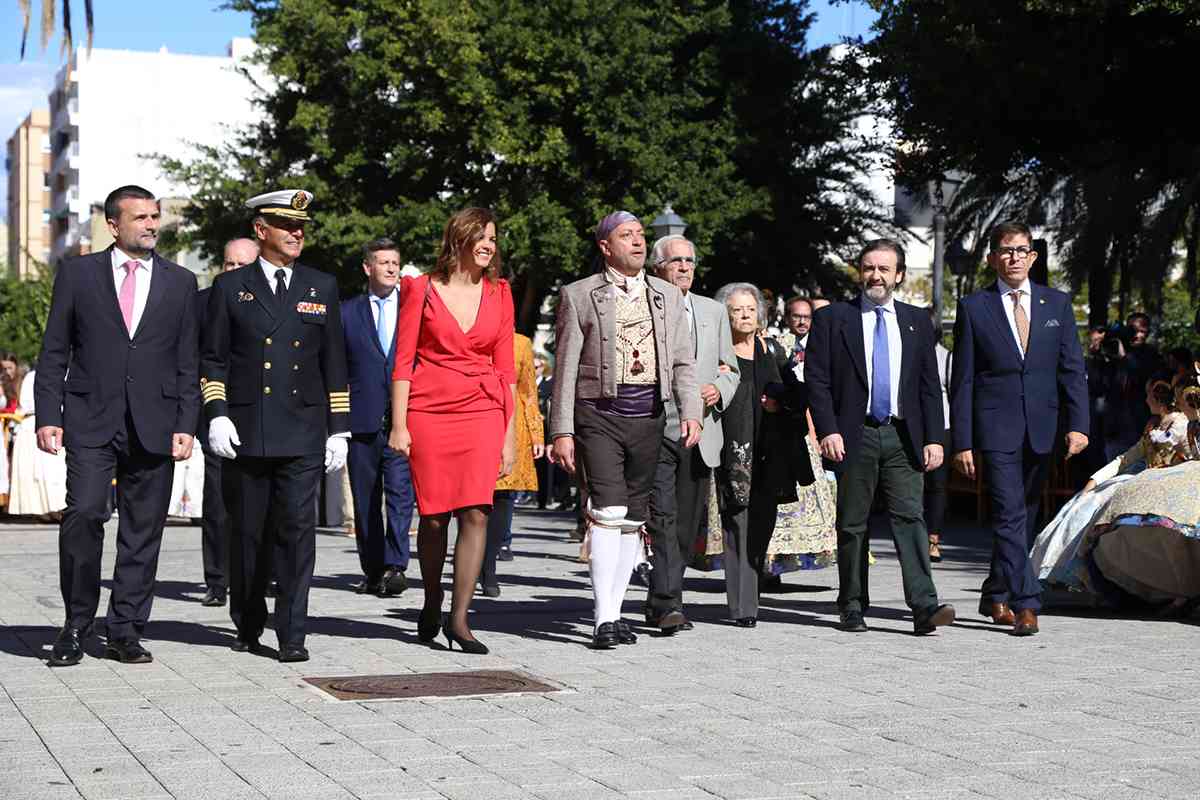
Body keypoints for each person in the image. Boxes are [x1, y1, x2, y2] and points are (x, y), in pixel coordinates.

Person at [35, 184, 200, 667]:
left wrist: (186, 421)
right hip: (90, 417)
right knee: (85, 513)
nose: (151, 225)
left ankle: (125, 629)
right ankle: (76, 623)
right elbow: (54, 350)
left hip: (156, 421)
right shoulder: (78, 274)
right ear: (113, 224)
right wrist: (48, 415)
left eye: (155, 216)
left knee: (142, 530)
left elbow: (188, 360)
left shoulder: (180, 282)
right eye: (140, 217)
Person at [202, 189, 350, 663]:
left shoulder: (320, 285)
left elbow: (334, 361)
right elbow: (214, 358)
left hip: (303, 430)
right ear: (260, 230)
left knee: (297, 534)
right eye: (287, 225)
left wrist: (339, 427)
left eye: (301, 226)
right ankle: (248, 621)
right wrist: (217, 413)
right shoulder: (231, 287)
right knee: (248, 535)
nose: (297, 233)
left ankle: (292, 633)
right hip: (248, 430)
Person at [549, 211, 700, 649]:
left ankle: (616, 614)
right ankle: (603, 619)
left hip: (648, 417)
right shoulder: (579, 294)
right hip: (598, 415)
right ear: (605, 247)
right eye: (626, 235)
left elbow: (682, 360)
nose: (637, 242)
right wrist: (561, 431)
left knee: (634, 518)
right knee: (609, 511)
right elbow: (565, 368)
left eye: (639, 235)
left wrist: (690, 410)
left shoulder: (666, 295)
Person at [806, 238, 955, 635]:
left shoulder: (917, 321)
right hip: (854, 434)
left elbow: (929, 386)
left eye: (884, 269)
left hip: (903, 435)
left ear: (899, 275)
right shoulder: (833, 319)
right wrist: (828, 430)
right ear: (860, 272)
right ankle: (852, 605)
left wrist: (935, 438)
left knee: (911, 518)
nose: (876, 275)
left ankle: (924, 606)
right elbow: (817, 380)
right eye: (869, 267)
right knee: (852, 523)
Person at [950, 221, 1088, 636]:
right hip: (996, 428)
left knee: (1024, 516)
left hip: (1044, 427)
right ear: (993, 258)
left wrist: (1079, 425)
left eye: (1021, 250)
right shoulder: (974, 307)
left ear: (1033, 256)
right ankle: (1026, 602)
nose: (1014, 257)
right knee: (1009, 513)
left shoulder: (1056, 304)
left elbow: (1072, 369)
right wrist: (962, 441)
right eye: (1006, 250)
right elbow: (963, 380)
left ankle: (995, 592)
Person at [388, 207, 516, 655]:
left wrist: (509, 437)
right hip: (429, 411)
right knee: (434, 515)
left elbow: (506, 370)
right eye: (481, 236)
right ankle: (431, 597)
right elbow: (403, 361)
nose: (489, 245)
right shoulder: (420, 289)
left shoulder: (501, 292)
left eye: (493, 238)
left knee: (477, 512)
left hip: (483, 409)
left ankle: (460, 618)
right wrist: (399, 424)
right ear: (459, 238)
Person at [644, 234, 738, 633]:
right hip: (656, 426)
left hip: (702, 433)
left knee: (685, 524)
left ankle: (664, 599)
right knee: (662, 517)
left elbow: (731, 369)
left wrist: (719, 388)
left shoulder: (712, 311)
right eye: (676, 261)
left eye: (689, 261)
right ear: (657, 268)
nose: (684, 267)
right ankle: (668, 604)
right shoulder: (644, 305)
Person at [1031, 380, 1194, 602]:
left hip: (1168, 483)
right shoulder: (1154, 425)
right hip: (1142, 479)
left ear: (1158, 397)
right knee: (1087, 502)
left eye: (1148, 395)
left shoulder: (1182, 424)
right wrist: (1095, 479)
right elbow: (1126, 458)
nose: (1145, 400)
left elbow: (1191, 456)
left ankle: (1160, 588)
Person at [712, 282, 813, 626]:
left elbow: (797, 391)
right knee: (737, 523)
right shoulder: (717, 354)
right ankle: (743, 606)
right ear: (725, 315)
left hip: (771, 451)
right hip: (733, 451)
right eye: (737, 310)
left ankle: (750, 594)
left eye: (750, 309)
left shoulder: (772, 350)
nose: (745, 315)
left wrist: (779, 401)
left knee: (762, 524)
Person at [343, 238, 415, 598]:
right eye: (383, 262)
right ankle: (372, 570)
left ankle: (395, 565)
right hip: (361, 420)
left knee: (401, 494)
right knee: (365, 499)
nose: (391, 268)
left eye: (395, 263)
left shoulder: (413, 309)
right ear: (367, 267)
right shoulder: (346, 312)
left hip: (404, 421)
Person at [191, 237, 259, 608]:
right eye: (228, 263)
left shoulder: (270, 299)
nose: (233, 271)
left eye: (241, 265)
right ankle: (217, 580)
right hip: (215, 412)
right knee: (217, 502)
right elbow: (191, 360)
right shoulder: (201, 302)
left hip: (260, 413)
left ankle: (261, 574)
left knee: (261, 501)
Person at [480, 331, 544, 597]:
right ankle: (474, 559)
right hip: (477, 425)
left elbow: (529, 392)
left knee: (504, 498)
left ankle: (488, 567)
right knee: (475, 501)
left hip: (512, 429)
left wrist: (537, 434)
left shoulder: (521, 343)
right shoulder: (472, 337)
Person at [6, 367, 68, 518]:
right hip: (37, 423)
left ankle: (57, 507)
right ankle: (45, 510)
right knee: (41, 470)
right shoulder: (33, 376)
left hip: (48, 422)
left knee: (53, 470)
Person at [924, 307, 952, 562]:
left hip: (942, 428)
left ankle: (933, 538)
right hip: (913, 426)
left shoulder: (946, 358)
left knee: (937, 485)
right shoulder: (907, 353)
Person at [779, 297, 814, 381]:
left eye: (807, 317)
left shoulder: (820, 345)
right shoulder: (778, 345)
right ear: (786, 319)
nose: (802, 322)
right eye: (797, 316)